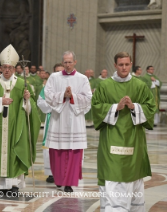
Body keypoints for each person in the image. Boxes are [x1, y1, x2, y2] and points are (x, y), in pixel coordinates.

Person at [92, 52, 156, 211]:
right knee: (113, 176)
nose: (124, 67)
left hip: (134, 139)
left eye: (127, 64)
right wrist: (116, 107)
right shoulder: (105, 86)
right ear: (115, 65)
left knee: (133, 179)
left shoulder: (140, 85)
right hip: (111, 139)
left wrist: (134, 107)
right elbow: (96, 107)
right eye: (121, 64)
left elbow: (151, 108)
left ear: (131, 64)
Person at [0, 44, 40, 195]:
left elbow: (31, 108)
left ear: (14, 68)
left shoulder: (22, 84)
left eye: (10, 67)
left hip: (16, 127)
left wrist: (27, 100)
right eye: (4, 67)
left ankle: (14, 185)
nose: (7, 70)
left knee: (15, 151)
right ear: (0, 68)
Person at [44, 51, 92, 192]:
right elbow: (48, 94)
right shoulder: (54, 77)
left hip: (75, 119)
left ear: (75, 62)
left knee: (73, 152)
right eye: (65, 62)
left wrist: (73, 97)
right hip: (58, 119)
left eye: (70, 62)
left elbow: (88, 98)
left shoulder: (82, 78)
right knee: (57, 151)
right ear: (62, 62)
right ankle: (59, 179)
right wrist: (62, 95)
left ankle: (69, 183)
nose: (68, 64)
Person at [37, 63, 64, 184]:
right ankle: (51, 173)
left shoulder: (72, 84)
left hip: (67, 120)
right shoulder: (48, 86)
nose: (59, 73)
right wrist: (54, 106)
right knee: (50, 145)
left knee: (65, 145)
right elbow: (41, 101)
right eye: (56, 71)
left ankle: (64, 172)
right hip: (53, 118)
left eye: (61, 71)